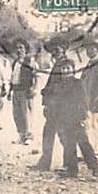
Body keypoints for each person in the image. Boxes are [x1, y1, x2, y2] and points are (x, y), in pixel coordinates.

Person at [55, 57, 98, 179]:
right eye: (63, 69)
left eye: (68, 68)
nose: (65, 71)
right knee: (69, 145)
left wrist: (82, 117)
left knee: (83, 143)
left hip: (76, 118)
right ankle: (72, 170)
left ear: (73, 70)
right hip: (65, 119)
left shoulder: (78, 83)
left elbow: (83, 101)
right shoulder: (59, 85)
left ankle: (95, 168)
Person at [32, 42, 68, 171]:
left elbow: (64, 84)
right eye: (52, 51)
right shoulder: (57, 65)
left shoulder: (66, 64)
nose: (54, 52)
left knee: (63, 135)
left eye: (57, 49)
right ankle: (45, 163)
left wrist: (48, 92)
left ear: (63, 50)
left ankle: (69, 164)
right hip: (53, 106)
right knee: (49, 133)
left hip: (60, 106)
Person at [8, 39, 37, 145]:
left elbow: (36, 75)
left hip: (25, 90)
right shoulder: (15, 62)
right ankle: (21, 135)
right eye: (17, 48)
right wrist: (9, 90)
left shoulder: (30, 60)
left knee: (26, 114)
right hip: (16, 90)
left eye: (21, 47)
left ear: (25, 49)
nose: (19, 50)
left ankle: (29, 136)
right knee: (17, 114)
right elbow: (13, 77)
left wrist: (34, 88)